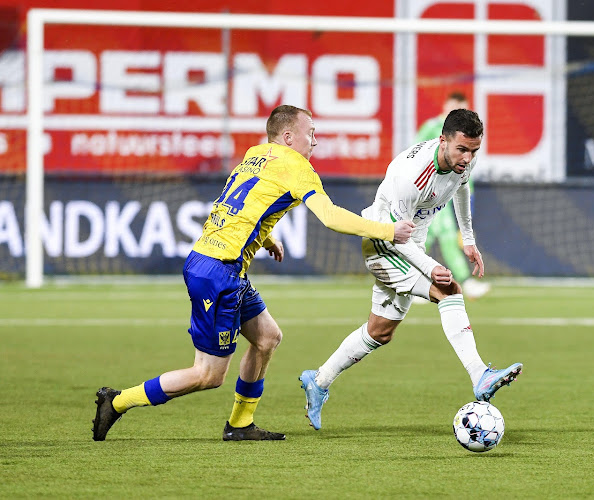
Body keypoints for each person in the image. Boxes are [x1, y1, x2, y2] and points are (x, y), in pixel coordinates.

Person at [92, 105, 415, 442]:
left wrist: (266, 238)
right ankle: (117, 402)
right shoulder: (298, 167)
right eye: (311, 133)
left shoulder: (256, 154)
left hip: (217, 263)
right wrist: (388, 231)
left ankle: (240, 424)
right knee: (208, 375)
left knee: (267, 338)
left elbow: (239, 204)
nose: (315, 142)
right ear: (289, 137)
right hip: (218, 273)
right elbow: (330, 216)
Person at [299, 109, 522, 431]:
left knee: (380, 332)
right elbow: (395, 236)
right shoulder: (411, 176)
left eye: (474, 150)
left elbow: (462, 188)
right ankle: (479, 374)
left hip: (410, 244)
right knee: (449, 290)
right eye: (462, 149)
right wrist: (432, 268)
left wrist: (469, 240)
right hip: (384, 242)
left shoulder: (461, 161)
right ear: (443, 140)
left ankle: (318, 381)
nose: (468, 158)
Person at [415, 91, 490, 300]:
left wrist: (470, 197)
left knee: (425, 238)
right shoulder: (431, 126)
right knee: (446, 235)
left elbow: (466, 174)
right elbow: (413, 154)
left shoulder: (466, 138)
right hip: (428, 193)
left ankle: (408, 280)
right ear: (446, 106)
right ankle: (466, 281)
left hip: (449, 194)